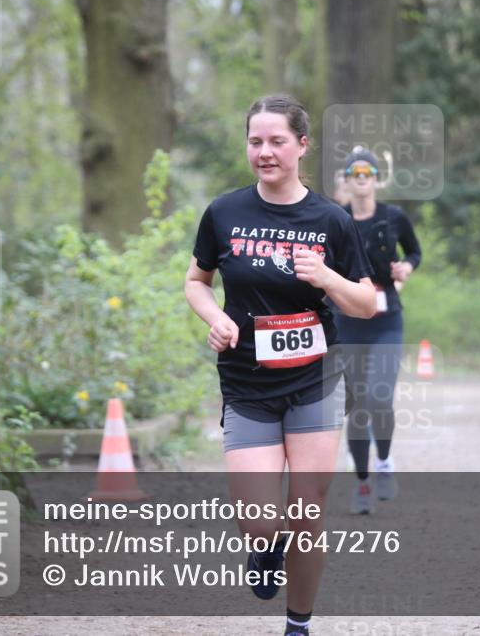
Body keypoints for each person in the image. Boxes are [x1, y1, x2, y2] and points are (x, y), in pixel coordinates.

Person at [184, 96, 375, 636]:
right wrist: (215, 317)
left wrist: (326, 278)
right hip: (247, 385)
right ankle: (266, 545)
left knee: (308, 511)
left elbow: (364, 303)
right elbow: (195, 282)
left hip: (314, 381)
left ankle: (299, 624)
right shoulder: (225, 212)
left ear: (301, 146)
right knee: (258, 519)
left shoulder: (330, 219)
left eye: (276, 142)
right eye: (255, 142)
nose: (264, 152)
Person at [334, 146, 422, 515]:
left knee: (379, 397)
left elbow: (415, 253)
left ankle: (384, 462)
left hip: (386, 320)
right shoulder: (335, 218)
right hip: (348, 321)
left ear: (375, 179)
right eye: (354, 174)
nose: (361, 180)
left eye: (367, 174)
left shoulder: (393, 216)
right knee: (356, 407)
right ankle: (363, 482)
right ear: (346, 180)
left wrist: (406, 269)